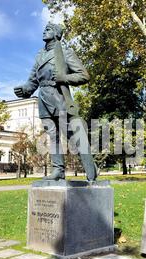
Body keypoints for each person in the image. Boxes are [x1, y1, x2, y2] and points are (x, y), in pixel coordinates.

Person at [14, 23, 98, 181]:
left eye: (49, 29)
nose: (45, 31)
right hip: (44, 98)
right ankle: (58, 170)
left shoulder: (65, 52)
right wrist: (24, 90)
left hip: (59, 98)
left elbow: (83, 75)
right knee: (52, 136)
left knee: (71, 135)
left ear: (57, 34)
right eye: (45, 29)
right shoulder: (40, 55)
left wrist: (65, 78)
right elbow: (33, 81)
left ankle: (91, 167)